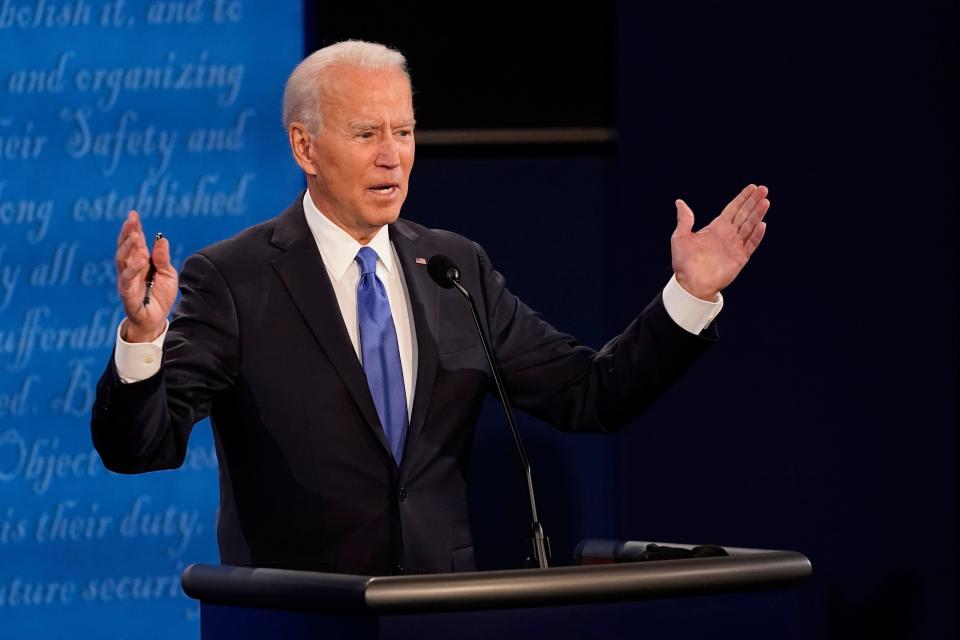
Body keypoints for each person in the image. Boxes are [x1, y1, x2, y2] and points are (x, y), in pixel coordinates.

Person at [91, 40, 770, 576]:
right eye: (366, 135)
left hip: (437, 614)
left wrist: (690, 296)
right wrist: (144, 337)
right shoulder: (235, 277)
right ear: (305, 147)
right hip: (302, 616)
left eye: (405, 132)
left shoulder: (453, 268)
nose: (393, 157)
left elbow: (591, 394)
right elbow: (141, 448)